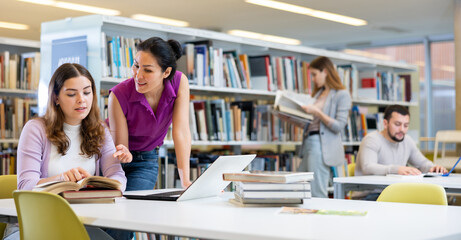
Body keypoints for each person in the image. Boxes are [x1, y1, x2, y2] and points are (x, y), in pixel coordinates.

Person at [3, 63, 126, 240]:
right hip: (32, 224)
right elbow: (25, 186)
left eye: (87, 92)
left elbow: (117, 175)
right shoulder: (35, 129)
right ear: (56, 98)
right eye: (71, 94)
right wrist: (63, 179)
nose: (81, 100)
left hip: (81, 223)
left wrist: (108, 186)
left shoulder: (100, 130)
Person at [108, 36, 191, 191]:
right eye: (136, 66)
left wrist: (185, 181)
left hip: (145, 159)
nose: (138, 75)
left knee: (135, 206)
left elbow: (181, 132)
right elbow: (120, 146)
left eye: (147, 70)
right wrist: (124, 152)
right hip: (112, 159)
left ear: (166, 72)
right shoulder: (119, 94)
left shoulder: (179, 82)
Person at [355, 105, 447, 200]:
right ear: (385, 124)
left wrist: (433, 168)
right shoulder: (372, 139)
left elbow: (422, 163)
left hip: (396, 194)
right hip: (369, 196)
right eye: (397, 124)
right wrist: (397, 169)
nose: (402, 130)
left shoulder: (407, 140)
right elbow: (368, 167)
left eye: (406, 125)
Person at [297, 56, 352, 198]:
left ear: (325, 71)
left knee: (316, 190)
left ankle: (321, 217)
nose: (313, 79)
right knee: (297, 186)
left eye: (314, 75)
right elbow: (309, 123)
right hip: (308, 142)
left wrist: (317, 112)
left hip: (321, 146)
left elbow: (339, 125)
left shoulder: (341, 95)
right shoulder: (318, 94)